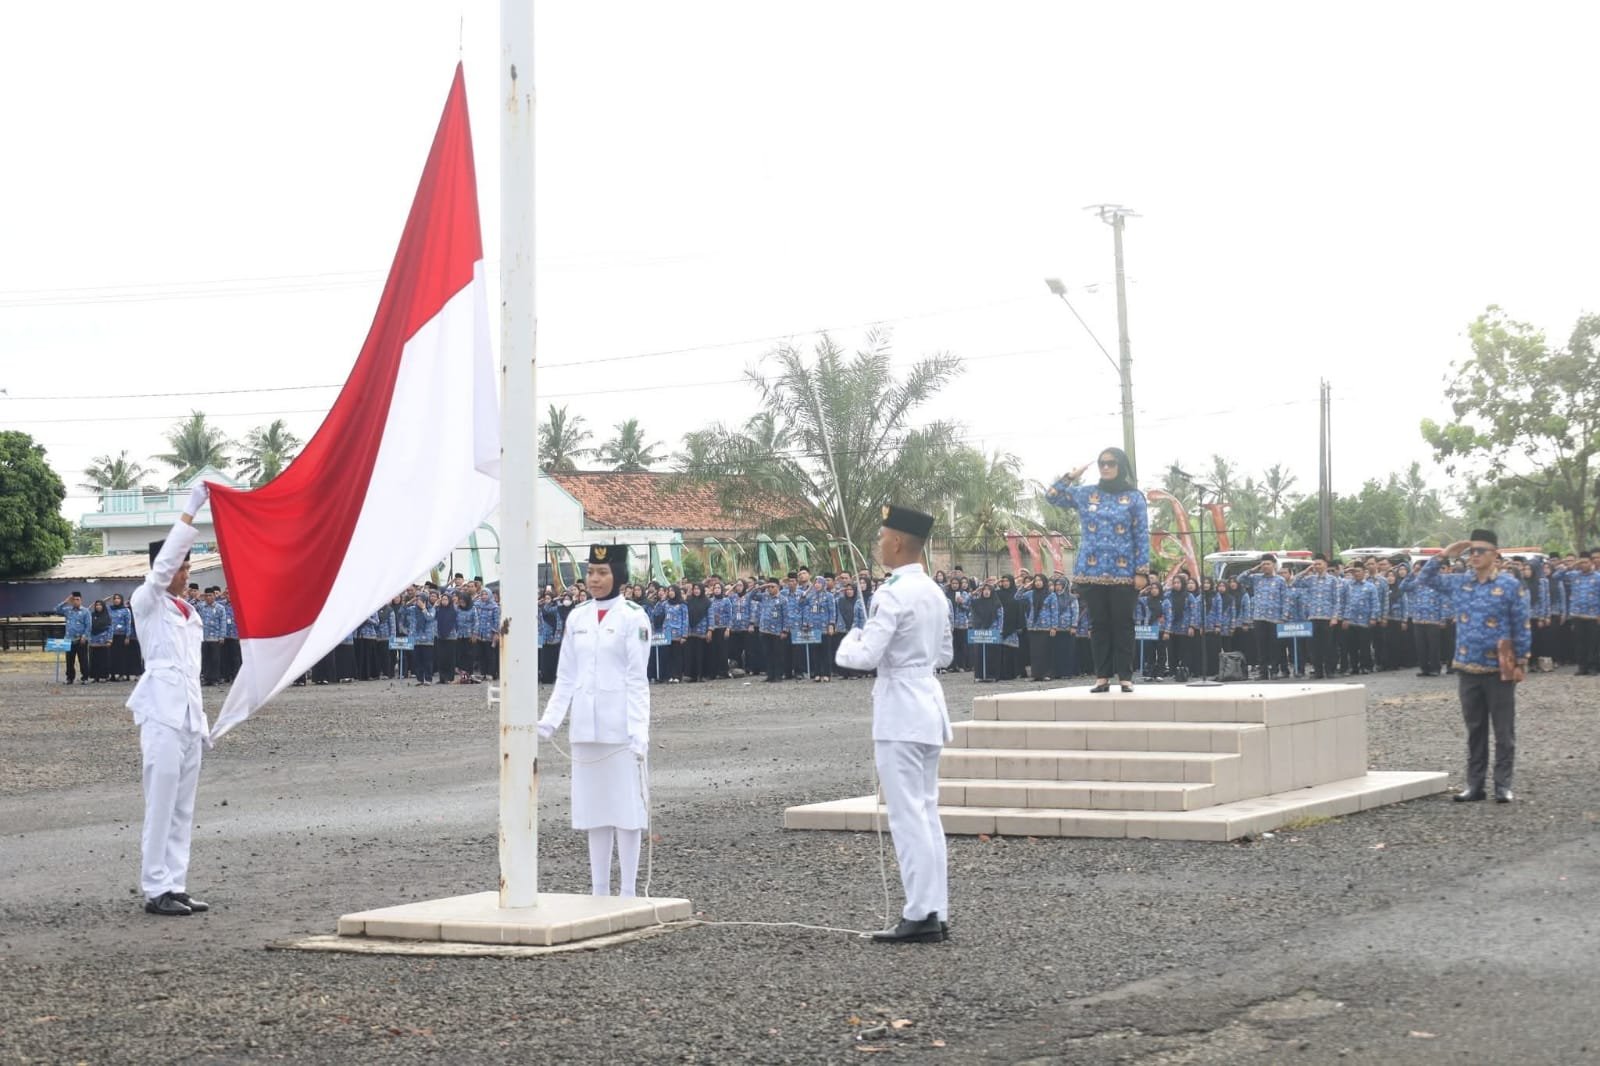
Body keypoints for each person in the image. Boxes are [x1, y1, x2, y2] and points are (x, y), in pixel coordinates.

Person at [835, 505, 954, 944]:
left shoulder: (892, 593)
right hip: (927, 704)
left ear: (898, 541)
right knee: (926, 811)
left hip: (901, 709)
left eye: (882, 536)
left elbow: (865, 657)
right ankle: (935, 910)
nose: (878, 544)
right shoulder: (933, 591)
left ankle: (920, 913)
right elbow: (945, 655)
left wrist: (848, 643)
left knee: (908, 817)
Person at [538, 544, 652, 897]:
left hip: (620, 729)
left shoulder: (634, 617)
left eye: (602, 573)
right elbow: (566, 676)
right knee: (594, 811)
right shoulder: (578, 617)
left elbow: (637, 679)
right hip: (586, 727)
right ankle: (599, 889)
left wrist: (639, 731)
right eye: (590, 572)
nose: (595, 579)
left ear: (618, 575)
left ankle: (629, 890)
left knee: (627, 809)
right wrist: (550, 721)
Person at [127, 482, 212, 917]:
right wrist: (191, 508)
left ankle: (175, 883)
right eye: (180, 565)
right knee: (160, 803)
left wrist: (203, 724)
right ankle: (154, 887)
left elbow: (192, 677)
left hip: (188, 719)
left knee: (182, 806)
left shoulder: (189, 613)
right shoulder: (147, 600)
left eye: (187, 567)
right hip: (160, 713)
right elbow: (159, 573)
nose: (184, 573)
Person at [1415, 530, 1531, 803]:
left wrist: (1521, 662)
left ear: (1494, 555)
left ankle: (1502, 785)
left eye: (1481, 551)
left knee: (1503, 731)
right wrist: (1445, 554)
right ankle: (1475, 785)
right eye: (1471, 551)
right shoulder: (1461, 583)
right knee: (1475, 730)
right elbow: (1424, 579)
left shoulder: (1510, 585)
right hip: (1467, 666)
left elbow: (1521, 625)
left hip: (1499, 666)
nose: (1475, 556)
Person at [1044, 447, 1149, 692]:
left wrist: (1142, 571)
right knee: (1098, 625)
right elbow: (1052, 496)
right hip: (1091, 571)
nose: (1106, 467)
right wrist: (1071, 476)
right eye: (1102, 463)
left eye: (1111, 463)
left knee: (1123, 625)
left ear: (1121, 466)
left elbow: (1141, 535)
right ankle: (1102, 676)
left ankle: (1125, 676)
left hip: (1124, 574)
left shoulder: (1134, 497)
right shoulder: (1086, 493)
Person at [53, 590, 92, 684]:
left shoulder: (85, 611)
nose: (76, 601)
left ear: (81, 600)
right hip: (69, 639)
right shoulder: (68, 610)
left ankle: (85, 678)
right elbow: (56, 610)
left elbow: (88, 625)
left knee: (83, 660)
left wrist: (84, 636)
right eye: (74, 600)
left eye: (77, 599)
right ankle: (70, 678)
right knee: (69, 660)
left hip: (80, 639)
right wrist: (66, 601)